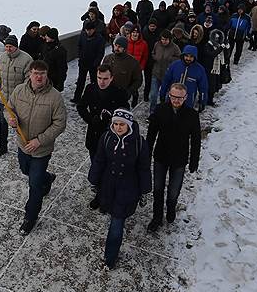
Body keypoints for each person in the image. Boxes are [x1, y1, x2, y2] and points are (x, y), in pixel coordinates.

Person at [7, 60, 67, 235]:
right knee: (26, 171)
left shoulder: (55, 97)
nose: (38, 76)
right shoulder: (19, 91)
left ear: (46, 75)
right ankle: (47, 178)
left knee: (34, 185)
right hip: (22, 144)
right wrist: (11, 118)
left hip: (41, 150)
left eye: (42, 73)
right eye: (35, 73)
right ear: (30, 74)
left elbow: (60, 123)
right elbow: (8, 108)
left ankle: (30, 217)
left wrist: (39, 141)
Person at [88, 109, 151, 270]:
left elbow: (143, 168)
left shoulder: (140, 143)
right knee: (111, 215)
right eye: (115, 124)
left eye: (122, 124)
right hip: (109, 186)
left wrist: (144, 190)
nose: (118, 127)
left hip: (128, 189)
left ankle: (110, 257)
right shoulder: (107, 138)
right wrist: (93, 180)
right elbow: (99, 160)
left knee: (116, 224)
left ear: (129, 125)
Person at [146, 83, 201, 232]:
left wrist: (194, 160)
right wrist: (147, 153)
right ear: (169, 95)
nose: (176, 101)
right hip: (161, 156)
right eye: (173, 97)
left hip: (179, 159)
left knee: (173, 191)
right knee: (157, 189)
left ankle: (171, 207)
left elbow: (196, 140)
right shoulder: (160, 110)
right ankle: (157, 217)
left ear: (186, 97)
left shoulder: (192, 115)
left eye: (180, 98)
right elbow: (151, 134)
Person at [77, 64, 130, 208]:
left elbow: (126, 111)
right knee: (97, 165)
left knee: (109, 168)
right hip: (94, 135)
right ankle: (100, 194)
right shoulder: (90, 88)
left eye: (105, 78)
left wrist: (112, 115)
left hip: (111, 135)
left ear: (111, 78)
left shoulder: (119, 92)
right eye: (99, 78)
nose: (102, 81)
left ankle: (106, 195)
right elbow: (81, 106)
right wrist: (90, 118)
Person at [0, 35, 33, 158]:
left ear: (16, 47)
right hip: (4, 98)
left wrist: (24, 96)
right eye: (6, 46)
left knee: (22, 123)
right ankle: (2, 146)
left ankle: (25, 147)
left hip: (19, 100)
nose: (8, 49)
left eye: (10, 46)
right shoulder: (2, 58)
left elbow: (29, 80)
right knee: (3, 122)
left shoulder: (26, 59)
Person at [160, 45, 208, 112]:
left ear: (195, 57)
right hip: (173, 98)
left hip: (188, 100)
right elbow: (166, 81)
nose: (188, 58)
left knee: (185, 118)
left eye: (191, 57)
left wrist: (202, 101)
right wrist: (162, 94)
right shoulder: (174, 65)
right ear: (183, 55)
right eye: (186, 56)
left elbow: (203, 87)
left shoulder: (199, 70)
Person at [102, 36, 143, 107]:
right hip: (108, 92)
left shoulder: (132, 62)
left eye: (120, 47)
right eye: (116, 46)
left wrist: (129, 91)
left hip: (122, 94)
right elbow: (102, 73)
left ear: (125, 48)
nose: (117, 48)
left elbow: (138, 80)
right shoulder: (108, 58)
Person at [72, 20, 106, 103]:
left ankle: (95, 98)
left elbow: (100, 53)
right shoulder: (82, 35)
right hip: (83, 62)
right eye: (87, 30)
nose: (88, 32)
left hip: (93, 64)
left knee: (94, 82)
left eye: (90, 30)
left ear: (94, 29)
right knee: (80, 81)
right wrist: (80, 56)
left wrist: (96, 63)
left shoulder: (99, 38)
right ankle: (77, 98)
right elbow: (79, 46)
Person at [149, 30, 181, 113]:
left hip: (167, 75)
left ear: (170, 39)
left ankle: (164, 112)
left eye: (166, 40)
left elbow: (179, 58)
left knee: (166, 96)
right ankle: (152, 112)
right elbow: (153, 53)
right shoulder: (157, 44)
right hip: (156, 73)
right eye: (162, 39)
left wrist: (171, 59)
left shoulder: (175, 47)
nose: (164, 41)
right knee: (153, 95)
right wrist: (155, 57)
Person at [126, 27, 149, 107]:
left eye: (136, 32)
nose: (135, 34)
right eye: (133, 32)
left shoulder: (143, 43)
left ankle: (135, 98)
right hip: (127, 68)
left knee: (134, 85)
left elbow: (145, 57)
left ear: (139, 34)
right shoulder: (126, 41)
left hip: (136, 69)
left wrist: (141, 66)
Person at [141, 18, 162, 102]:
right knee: (148, 79)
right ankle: (146, 95)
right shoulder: (144, 33)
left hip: (156, 59)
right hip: (147, 59)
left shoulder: (159, 33)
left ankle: (155, 94)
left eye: (154, 26)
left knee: (156, 79)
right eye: (151, 26)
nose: (152, 27)